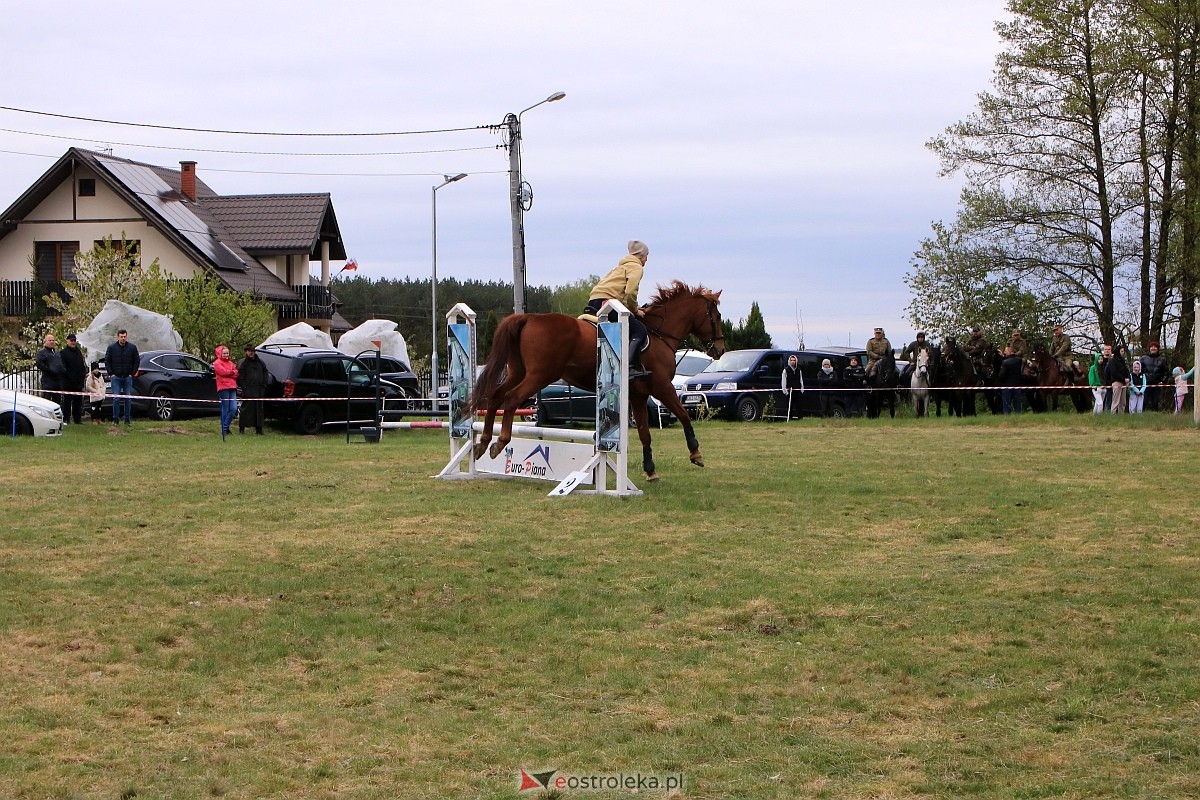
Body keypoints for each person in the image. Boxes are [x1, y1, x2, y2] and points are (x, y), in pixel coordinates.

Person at [586, 240, 650, 379]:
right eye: (646, 255)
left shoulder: (619, 268)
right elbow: (631, 291)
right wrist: (634, 310)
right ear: (641, 256)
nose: (647, 259)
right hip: (608, 303)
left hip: (595, 300)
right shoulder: (636, 267)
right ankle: (630, 367)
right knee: (639, 330)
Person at [105, 329, 140, 426]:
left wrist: (132, 373)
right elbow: (107, 361)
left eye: (124, 336)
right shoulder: (111, 348)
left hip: (127, 377)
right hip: (116, 377)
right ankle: (115, 419)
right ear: (118, 337)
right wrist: (111, 373)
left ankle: (127, 420)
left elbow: (136, 361)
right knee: (116, 398)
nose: (123, 338)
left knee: (127, 399)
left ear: (126, 336)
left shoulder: (132, 348)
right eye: (121, 336)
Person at [236, 344, 269, 435]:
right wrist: (245, 388)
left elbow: (265, 373)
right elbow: (240, 377)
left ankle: (259, 429)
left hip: (259, 390)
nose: (251, 353)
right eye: (249, 351)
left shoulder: (260, 362)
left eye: (253, 351)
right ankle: (242, 429)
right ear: (246, 351)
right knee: (245, 410)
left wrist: (264, 385)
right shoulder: (243, 363)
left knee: (259, 410)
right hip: (248, 391)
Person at [211, 345, 239, 440]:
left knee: (234, 408)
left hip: (232, 387)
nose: (226, 355)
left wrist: (231, 372)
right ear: (220, 354)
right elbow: (223, 372)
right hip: (223, 388)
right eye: (224, 353)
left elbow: (236, 373)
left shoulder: (231, 363)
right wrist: (231, 372)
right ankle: (224, 429)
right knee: (225, 409)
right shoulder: (217, 363)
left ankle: (225, 427)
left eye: (227, 353)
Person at [59, 333, 88, 425]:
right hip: (68, 382)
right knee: (67, 402)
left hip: (78, 382)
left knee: (78, 402)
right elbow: (63, 368)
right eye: (71, 341)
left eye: (74, 340)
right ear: (67, 341)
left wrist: (83, 375)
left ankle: (77, 419)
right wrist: (68, 376)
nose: (73, 342)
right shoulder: (63, 353)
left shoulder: (78, 352)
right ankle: (66, 418)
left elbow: (82, 365)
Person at [34, 333, 65, 410]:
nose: (52, 342)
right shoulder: (42, 352)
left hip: (58, 381)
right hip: (48, 380)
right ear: (45, 341)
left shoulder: (57, 353)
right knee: (46, 401)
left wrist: (63, 370)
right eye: (50, 340)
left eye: (53, 340)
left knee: (57, 401)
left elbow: (61, 363)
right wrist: (50, 371)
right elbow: (39, 364)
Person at [1139, 341, 1169, 411]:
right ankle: (1141, 414)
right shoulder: (1143, 358)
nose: (1153, 348)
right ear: (1149, 348)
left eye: (1155, 347)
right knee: (1144, 400)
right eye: (1152, 347)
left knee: (1155, 401)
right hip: (1145, 383)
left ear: (1157, 349)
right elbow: (1139, 370)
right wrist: (1141, 380)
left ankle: (1156, 415)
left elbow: (1166, 372)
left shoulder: (1162, 359)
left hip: (1157, 383)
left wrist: (1163, 381)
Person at [998, 346, 1024, 414]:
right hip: (1017, 385)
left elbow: (1002, 375)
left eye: (1006, 351)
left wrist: (1000, 381)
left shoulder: (1005, 362)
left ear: (1011, 352)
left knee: (1006, 404)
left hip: (1007, 386)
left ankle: (1007, 417)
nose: (1004, 352)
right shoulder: (1019, 360)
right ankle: (1018, 416)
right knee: (1017, 403)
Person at [1105, 343, 1130, 414]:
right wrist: (1123, 379)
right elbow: (1114, 372)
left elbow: (1126, 370)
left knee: (1123, 401)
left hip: (1124, 383)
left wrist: (1128, 378)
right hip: (1117, 382)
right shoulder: (1113, 361)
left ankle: (1121, 415)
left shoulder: (1122, 361)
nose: (1123, 353)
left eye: (1123, 351)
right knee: (1116, 400)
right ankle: (1113, 414)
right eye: (1121, 351)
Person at [780, 354, 805, 420]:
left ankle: (800, 420)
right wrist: (786, 392)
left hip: (798, 392)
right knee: (789, 408)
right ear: (789, 361)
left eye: (794, 360)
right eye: (791, 360)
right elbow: (783, 382)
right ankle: (789, 419)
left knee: (799, 408)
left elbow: (801, 380)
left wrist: (802, 390)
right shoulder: (786, 370)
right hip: (790, 392)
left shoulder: (799, 370)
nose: (793, 362)